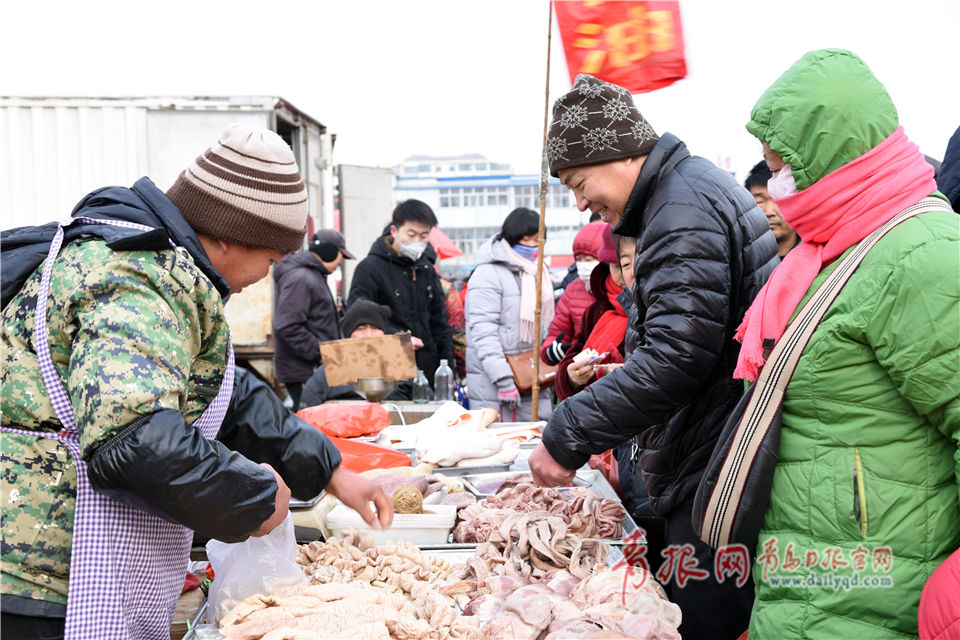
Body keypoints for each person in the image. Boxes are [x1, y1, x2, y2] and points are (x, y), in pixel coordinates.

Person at [0, 124, 392, 639]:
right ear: (228, 232)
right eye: (271, 259)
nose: (267, 275)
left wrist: (330, 469)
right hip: (39, 578)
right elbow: (134, 436)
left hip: (71, 567)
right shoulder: (136, 276)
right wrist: (250, 498)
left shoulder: (175, 273)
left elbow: (225, 398)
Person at [528, 73, 778, 640]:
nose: (581, 202)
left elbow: (677, 357)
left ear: (616, 154)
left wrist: (568, 432)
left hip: (712, 461)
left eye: (578, 182)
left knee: (704, 621)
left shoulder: (679, 206)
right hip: (711, 450)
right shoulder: (684, 191)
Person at [736, 49, 959, 639]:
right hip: (813, 576)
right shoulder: (829, 249)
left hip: (877, 591)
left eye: (784, 166)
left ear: (828, 157)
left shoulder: (921, 252)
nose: (778, 183)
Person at [346, 199, 454, 385]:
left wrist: (448, 367)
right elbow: (357, 322)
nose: (417, 241)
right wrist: (396, 340)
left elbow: (440, 323)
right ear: (395, 231)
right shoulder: (369, 269)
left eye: (423, 235)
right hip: (387, 369)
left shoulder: (426, 269)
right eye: (411, 234)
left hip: (427, 369)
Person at [464, 207, 554, 420]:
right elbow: (484, 333)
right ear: (511, 237)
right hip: (496, 385)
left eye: (537, 240)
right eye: (526, 239)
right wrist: (504, 380)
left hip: (533, 379)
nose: (533, 246)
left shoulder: (537, 273)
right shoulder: (487, 274)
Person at [273, 228, 354, 410]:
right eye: (341, 255)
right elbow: (288, 326)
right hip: (305, 371)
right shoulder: (302, 277)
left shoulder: (312, 275)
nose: (340, 262)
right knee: (310, 423)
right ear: (330, 251)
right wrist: (323, 353)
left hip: (310, 369)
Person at [553, 224, 627, 402]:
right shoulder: (596, 311)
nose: (625, 275)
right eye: (616, 267)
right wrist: (571, 378)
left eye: (628, 264)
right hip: (594, 413)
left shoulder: (655, 309)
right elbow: (571, 359)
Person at [299, 298, 412, 407]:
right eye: (360, 329)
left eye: (375, 327)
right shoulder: (328, 371)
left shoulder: (402, 366)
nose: (369, 335)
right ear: (349, 335)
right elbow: (306, 414)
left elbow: (425, 403)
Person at [540, 221, 607, 366]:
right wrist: (551, 351)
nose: (582, 265)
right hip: (581, 372)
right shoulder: (573, 290)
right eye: (578, 260)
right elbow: (557, 332)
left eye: (588, 259)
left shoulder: (619, 287)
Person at [745, 160, 800, 258]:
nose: (769, 212)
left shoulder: (819, 261)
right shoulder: (739, 263)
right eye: (759, 201)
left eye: (779, 200)